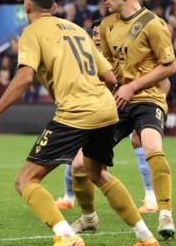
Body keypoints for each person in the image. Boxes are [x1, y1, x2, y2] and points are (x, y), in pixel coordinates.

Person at [0, 0, 160, 246]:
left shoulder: (32, 32)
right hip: (105, 109)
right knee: (97, 173)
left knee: (25, 180)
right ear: (54, 6)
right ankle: (145, 237)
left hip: (76, 112)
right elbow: (108, 77)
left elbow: (24, 79)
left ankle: (66, 237)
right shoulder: (77, 29)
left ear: (26, 7)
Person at [70, 0, 176, 240]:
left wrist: (132, 86)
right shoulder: (106, 26)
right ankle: (88, 217)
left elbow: (170, 65)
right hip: (116, 101)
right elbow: (106, 70)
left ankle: (165, 212)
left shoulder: (153, 24)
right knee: (80, 165)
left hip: (146, 98)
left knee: (151, 145)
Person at [56, 19, 161, 214]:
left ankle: (150, 198)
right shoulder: (87, 57)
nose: (97, 38)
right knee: (80, 152)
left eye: (100, 34)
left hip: (130, 107)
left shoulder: (122, 53)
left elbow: (162, 80)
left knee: (140, 142)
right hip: (100, 110)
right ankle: (69, 197)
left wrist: (155, 103)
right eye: (94, 34)